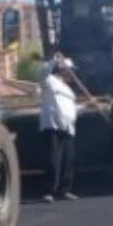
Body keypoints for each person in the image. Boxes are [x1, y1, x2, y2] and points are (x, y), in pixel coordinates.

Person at [39, 54, 80, 202]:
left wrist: (88, 105)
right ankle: (49, 191)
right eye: (70, 71)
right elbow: (42, 72)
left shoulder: (70, 91)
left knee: (68, 159)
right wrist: (53, 61)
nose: (73, 74)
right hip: (53, 125)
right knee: (53, 159)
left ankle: (65, 190)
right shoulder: (49, 81)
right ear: (63, 70)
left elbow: (72, 110)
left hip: (67, 127)